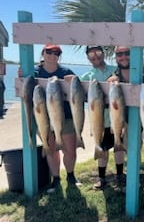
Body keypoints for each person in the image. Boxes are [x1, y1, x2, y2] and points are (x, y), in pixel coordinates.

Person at [108, 46, 144, 206]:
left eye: (127, 53)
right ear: (116, 57)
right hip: (129, 121)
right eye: (119, 54)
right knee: (131, 152)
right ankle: (132, 182)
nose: (123, 57)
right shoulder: (114, 78)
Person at [19, 44, 82, 193]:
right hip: (43, 119)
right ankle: (55, 179)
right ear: (43, 53)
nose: (52, 55)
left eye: (56, 52)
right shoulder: (34, 72)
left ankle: (71, 175)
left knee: (70, 151)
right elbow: (25, 90)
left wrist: (75, 79)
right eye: (49, 51)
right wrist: (21, 77)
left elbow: (79, 91)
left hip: (65, 117)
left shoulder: (66, 71)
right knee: (51, 150)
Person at [80, 45, 126, 190]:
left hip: (117, 119)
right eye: (91, 55)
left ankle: (120, 174)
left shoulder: (115, 69)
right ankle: (102, 178)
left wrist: (117, 77)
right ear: (88, 58)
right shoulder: (87, 77)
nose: (96, 56)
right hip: (100, 121)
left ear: (103, 53)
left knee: (119, 148)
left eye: (98, 52)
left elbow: (126, 78)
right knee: (101, 150)